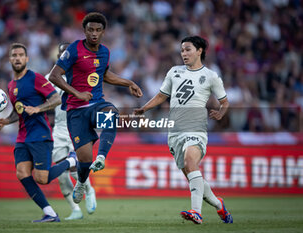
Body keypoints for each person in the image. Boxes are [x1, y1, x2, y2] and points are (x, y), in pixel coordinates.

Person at [134, 36, 233, 224]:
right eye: (182, 50)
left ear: (199, 51)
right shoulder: (174, 72)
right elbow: (162, 95)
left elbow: (225, 102)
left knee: (190, 161)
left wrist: (221, 113)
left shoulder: (211, 76)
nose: (184, 54)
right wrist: (144, 108)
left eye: (188, 49)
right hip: (174, 132)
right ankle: (219, 205)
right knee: (193, 175)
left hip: (196, 127)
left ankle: (196, 212)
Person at [48, 12, 143, 204]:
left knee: (111, 113)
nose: (94, 33)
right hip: (76, 110)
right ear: (84, 30)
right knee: (83, 160)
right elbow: (54, 76)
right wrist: (77, 93)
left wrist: (128, 83)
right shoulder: (74, 49)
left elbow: (105, 75)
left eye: (98, 30)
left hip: (97, 103)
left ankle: (101, 156)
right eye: (90, 29)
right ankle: (81, 183)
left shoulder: (105, 52)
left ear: (103, 32)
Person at [0, 43, 77, 223]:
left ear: (27, 59)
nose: (17, 58)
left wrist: (38, 109)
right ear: (10, 59)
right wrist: (5, 121)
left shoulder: (36, 78)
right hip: (23, 137)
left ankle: (71, 160)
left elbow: (55, 99)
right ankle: (50, 213)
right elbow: (18, 111)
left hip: (40, 135)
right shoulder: (11, 85)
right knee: (22, 173)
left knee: (43, 178)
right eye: (14, 55)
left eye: (20, 55)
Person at [45, 42, 97, 220]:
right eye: (60, 54)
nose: (63, 57)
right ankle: (75, 210)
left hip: (77, 125)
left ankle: (89, 189)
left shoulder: (82, 76)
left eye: (66, 53)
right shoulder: (49, 77)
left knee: (75, 165)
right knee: (61, 172)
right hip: (59, 129)